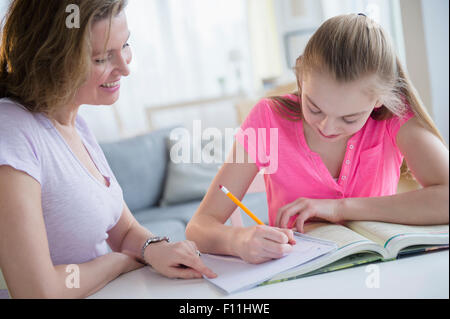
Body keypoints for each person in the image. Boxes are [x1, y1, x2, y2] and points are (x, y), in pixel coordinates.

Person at [186, 14, 449, 265]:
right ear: (300, 77)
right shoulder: (268, 118)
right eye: (314, 108)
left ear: (380, 99)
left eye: (349, 118)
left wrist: (339, 208)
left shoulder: (393, 114)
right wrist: (238, 240)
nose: (327, 126)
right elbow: (199, 226)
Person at [0, 0, 216, 299]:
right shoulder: (11, 130)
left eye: (125, 45)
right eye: (102, 58)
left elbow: (124, 230)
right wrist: (119, 262)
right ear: (50, 58)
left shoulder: (77, 125)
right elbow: (37, 290)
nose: (125, 68)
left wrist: (156, 248)